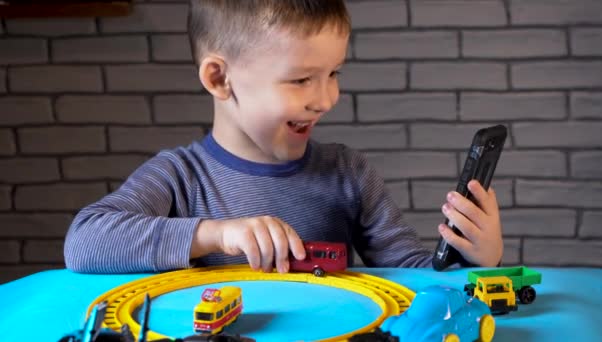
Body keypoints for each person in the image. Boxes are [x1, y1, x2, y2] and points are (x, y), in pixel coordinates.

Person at [64, 0, 503, 274]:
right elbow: (85, 243)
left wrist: (473, 259)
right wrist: (217, 236)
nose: (326, 98)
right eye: (300, 80)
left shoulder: (350, 173)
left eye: (333, 74)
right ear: (219, 78)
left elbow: (413, 277)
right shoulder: (179, 176)